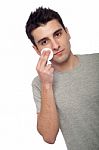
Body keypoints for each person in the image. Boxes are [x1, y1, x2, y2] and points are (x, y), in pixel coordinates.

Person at [25, 6, 99, 150]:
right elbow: (49, 136)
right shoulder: (39, 84)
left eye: (58, 34)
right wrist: (46, 84)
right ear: (36, 49)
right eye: (44, 42)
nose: (55, 45)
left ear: (67, 32)